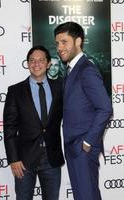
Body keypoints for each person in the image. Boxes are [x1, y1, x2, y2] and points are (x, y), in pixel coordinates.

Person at [54, 21, 113, 200]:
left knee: (86, 195)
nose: (59, 48)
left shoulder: (86, 69)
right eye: (57, 43)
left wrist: (87, 142)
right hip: (74, 146)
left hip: (82, 147)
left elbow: (105, 108)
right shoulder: (71, 69)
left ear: (78, 41)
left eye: (64, 42)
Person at [3, 45, 64, 200]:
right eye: (32, 60)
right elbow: (9, 128)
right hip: (24, 160)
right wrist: (13, 158)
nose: (36, 64)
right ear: (27, 63)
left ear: (48, 63)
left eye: (41, 60)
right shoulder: (15, 91)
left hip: (51, 158)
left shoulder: (60, 88)